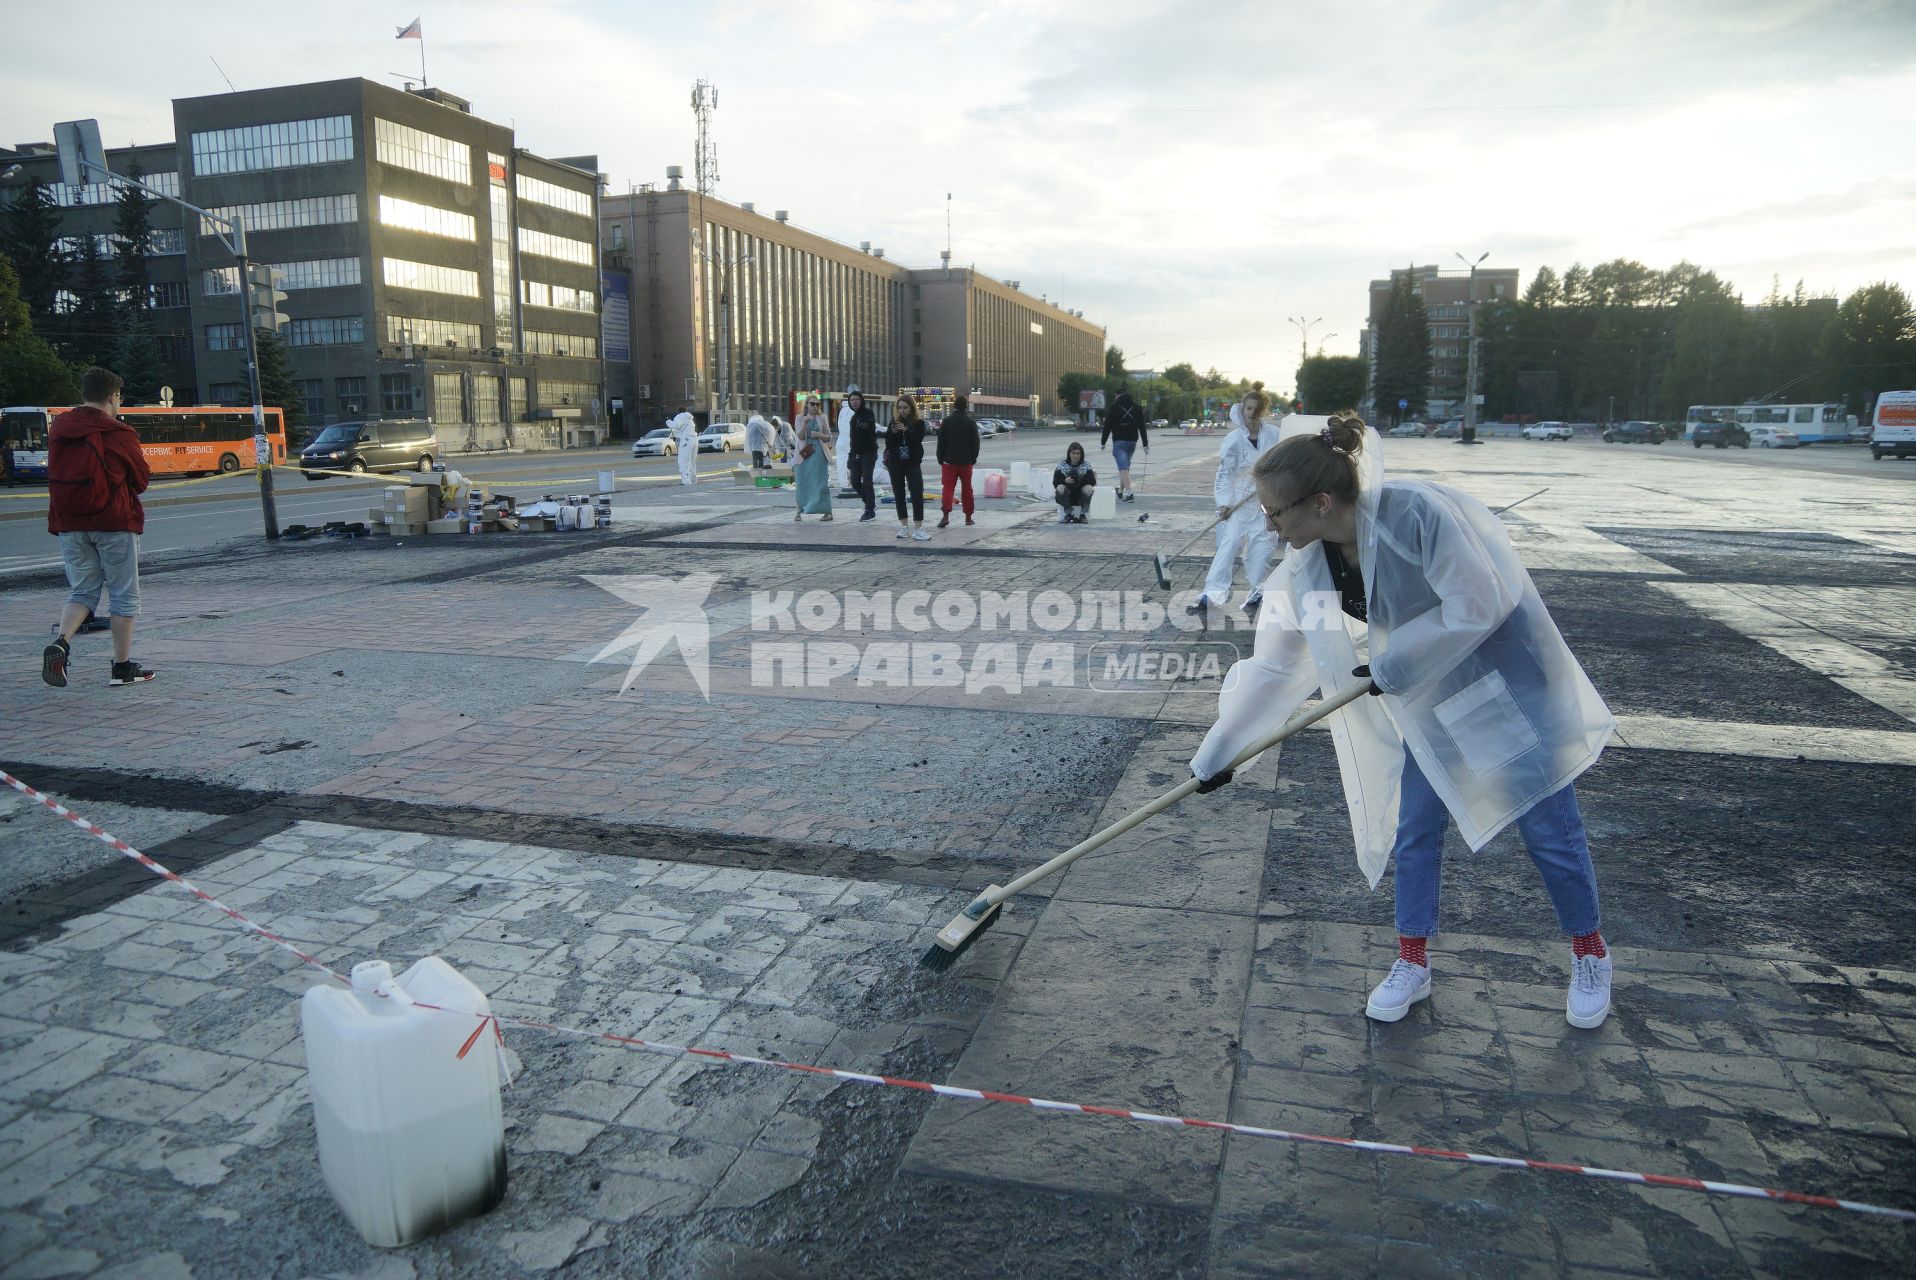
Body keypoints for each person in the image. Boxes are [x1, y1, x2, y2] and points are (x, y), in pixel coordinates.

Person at [1189, 410, 1616, 1030]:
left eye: (1275, 512)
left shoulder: (1416, 514)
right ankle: (1412, 960)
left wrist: (1395, 661)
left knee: (1546, 823)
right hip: (1429, 690)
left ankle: (1590, 953)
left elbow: (1483, 601)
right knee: (1416, 825)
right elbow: (1276, 668)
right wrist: (1220, 755)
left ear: (1321, 501)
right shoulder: (1310, 569)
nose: (1269, 524)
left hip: (1506, 680)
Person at [41, 366, 156, 688]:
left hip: (69, 522)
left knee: (82, 591)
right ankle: (121, 668)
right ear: (111, 396)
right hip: (114, 522)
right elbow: (141, 480)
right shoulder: (118, 433)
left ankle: (62, 642)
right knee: (123, 595)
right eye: (119, 397)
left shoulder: (60, 428)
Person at [1190, 382, 1280, 619]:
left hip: (1264, 502)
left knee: (1262, 547)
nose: (1252, 412)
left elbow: (1282, 464)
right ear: (1243, 410)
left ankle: (1257, 590)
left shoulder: (1273, 435)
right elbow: (1224, 474)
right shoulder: (1233, 439)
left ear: (1262, 411)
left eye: (1256, 408)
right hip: (1237, 502)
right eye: (1248, 408)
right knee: (1228, 545)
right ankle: (1213, 592)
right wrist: (1223, 503)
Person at [884, 394, 930, 540]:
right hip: (896, 463)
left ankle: (918, 528)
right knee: (899, 494)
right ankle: (904, 527)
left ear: (912, 408)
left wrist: (906, 430)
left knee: (916, 493)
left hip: (912, 463)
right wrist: (893, 432)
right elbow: (888, 444)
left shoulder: (919, 423)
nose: (902, 411)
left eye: (905, 408)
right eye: (900, 408)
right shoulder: (893, 422)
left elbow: (916, 441)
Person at [936, 393, 981, 529]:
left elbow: (941, 441)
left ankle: (945, 516)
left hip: (949, 461)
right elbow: (976, 443)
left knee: (948, 488)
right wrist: (973, 458)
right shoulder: (971, 422)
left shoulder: (947, 421)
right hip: (966, 461)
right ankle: (968, 517)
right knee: (967, 489)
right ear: (965, 407)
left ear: (954, 406)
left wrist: (940, 458)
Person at [1100, 388, 1150, 501]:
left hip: (1119, 442)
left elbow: (1107, 425)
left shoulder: (1114, 407)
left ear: (1117, 395)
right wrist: (1145, 444)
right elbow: (1142, 426)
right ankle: (1121, 490)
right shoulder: (1136, 407)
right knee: (1125, 467)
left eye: (1115, 396)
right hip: (1132, 442)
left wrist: (1103, 442)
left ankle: (1129, 493)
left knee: (1123, 467)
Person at [792, 396, 834, 522]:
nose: (815, 406)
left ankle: (827, 512)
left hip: (819, 453)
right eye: (812, 404)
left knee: (820, 483)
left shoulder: (822, 418)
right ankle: (799, 510)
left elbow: (829, 437)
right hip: (804, 453)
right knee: (801, 481)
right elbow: (799, 436)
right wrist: (805, 423)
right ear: (806, 405)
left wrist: (818, 435)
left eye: (817, 404)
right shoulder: (799, 417)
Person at [844, 389, 879, 521]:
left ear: (861, 400)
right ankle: (870, 504)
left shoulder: (867, 413)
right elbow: (853, 440)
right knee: (854, 481)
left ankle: (870, 510)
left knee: (867, 481)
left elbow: (870, 424)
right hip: (856, 454)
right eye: (852, 400)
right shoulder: (853, 417)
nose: (854, 402)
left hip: (869, 453)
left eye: (857, 399)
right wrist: (850, 456)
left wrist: (866, 425)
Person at [1052, 441, 1096, 523]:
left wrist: (1081, 480)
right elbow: (1055, 482)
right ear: (1069, 454)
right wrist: (1065, 481)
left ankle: (1083, 514)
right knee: (1060, 487)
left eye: (1078, 453)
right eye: (1073, 453)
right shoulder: (1061, 465)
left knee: (1089, 488)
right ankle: (1068, 514)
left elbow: (1092, 481)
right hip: (1066, 494)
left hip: (1081, 494)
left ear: (1081, 454)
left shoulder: (1086, 465)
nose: (1075, 456)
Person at [834, 384, 858, 491]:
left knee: (842, 462)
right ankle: (852, 482)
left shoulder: (842, 411)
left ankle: (843, 482)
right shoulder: (853, 412)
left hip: (841, 441)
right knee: (854, 462)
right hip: (850, 441)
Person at [669, 402, 700, 485]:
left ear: (678, 411)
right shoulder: (690, 419)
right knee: (692, 461)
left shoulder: (679, 416)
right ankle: (693, 480)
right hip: (695, 440)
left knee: (682, 461)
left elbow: (676, 425)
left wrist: (668, 422)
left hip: (686, 440)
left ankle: (686, 481)